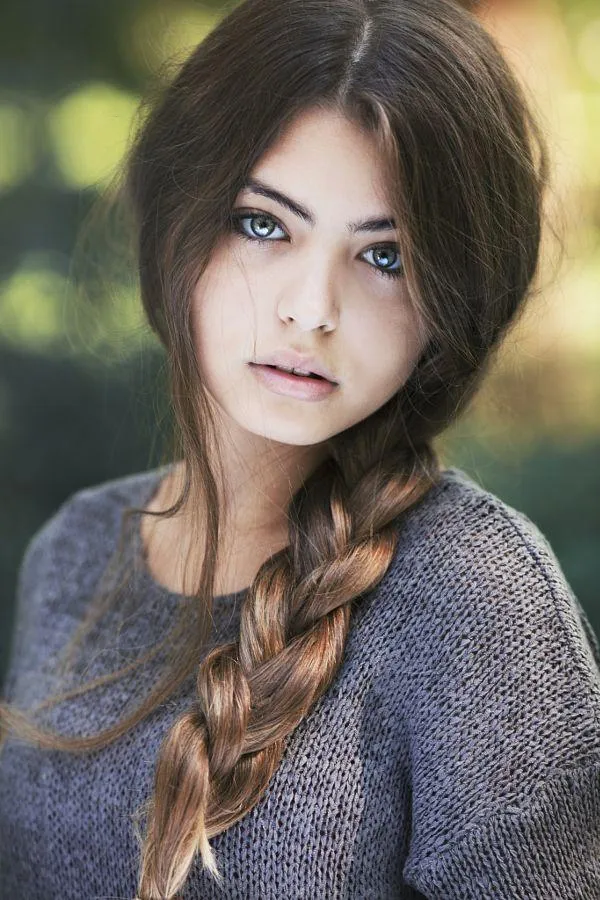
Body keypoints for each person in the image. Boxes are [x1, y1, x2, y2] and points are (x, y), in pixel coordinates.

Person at [1, 0, 599, 897]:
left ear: (450, 303)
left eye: (385, 257)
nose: (312, 308)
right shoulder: (74, 554)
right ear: (180, 222)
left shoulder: (477, 600)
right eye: (265, 224)